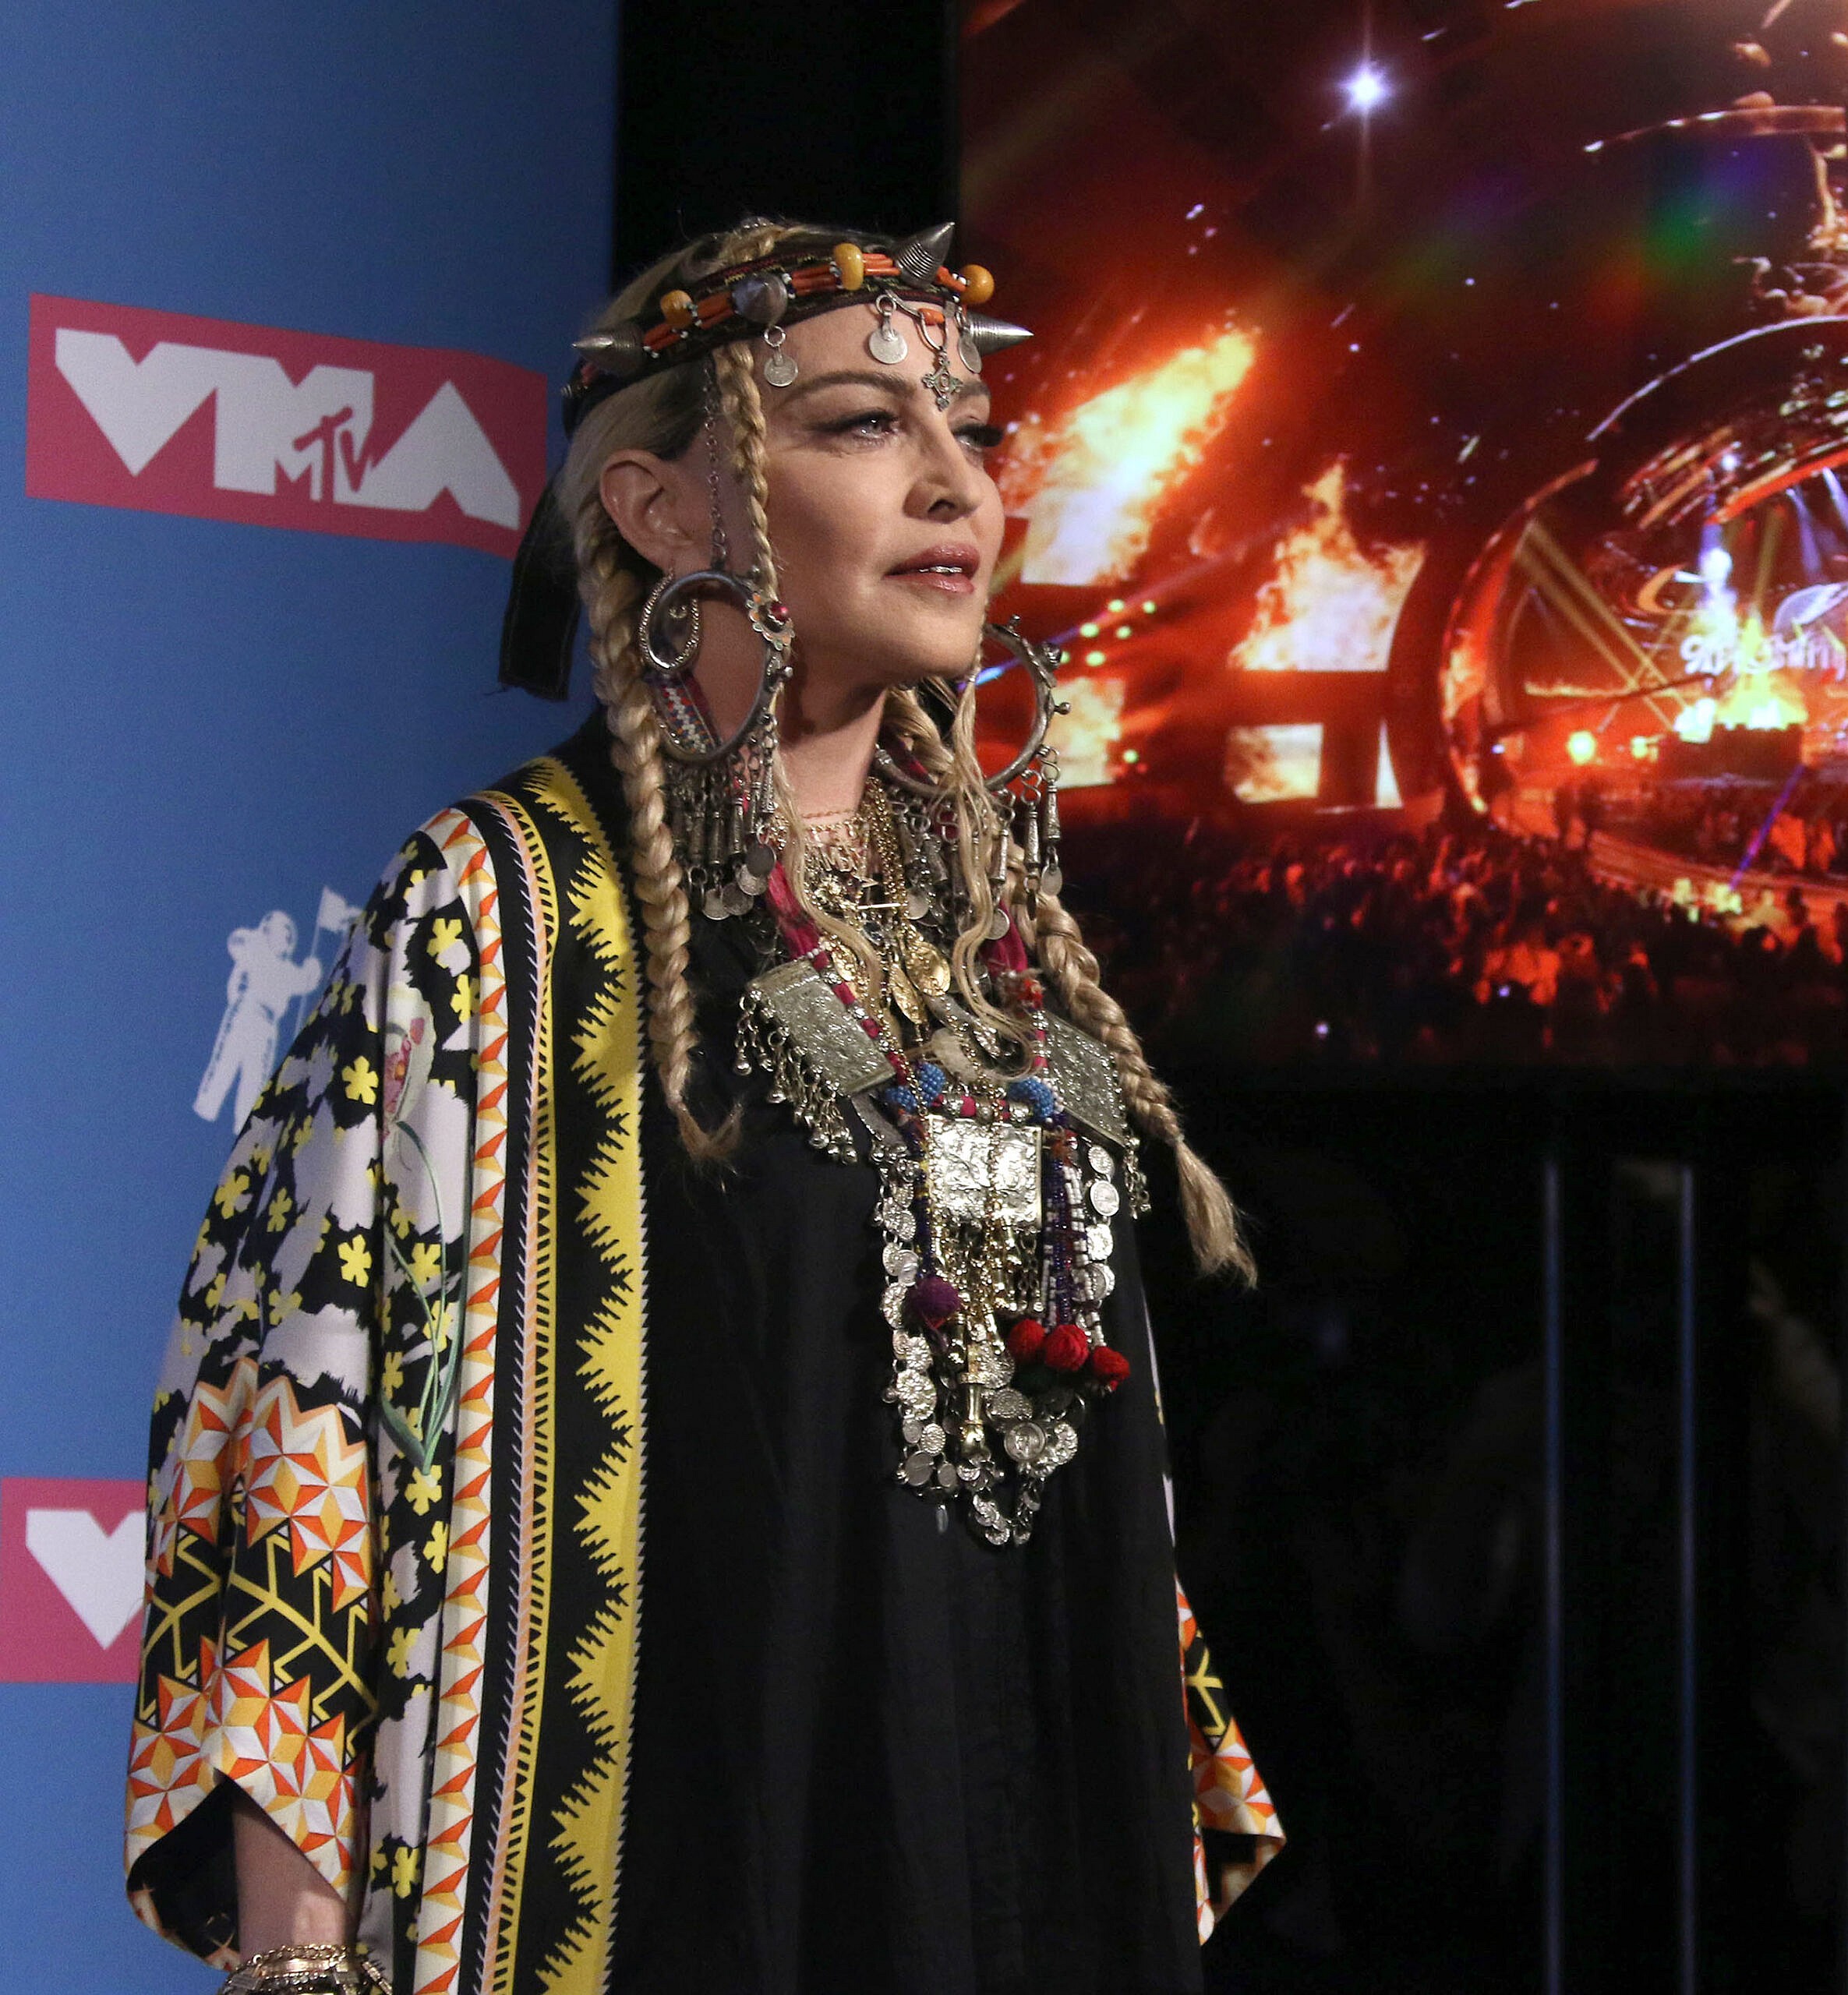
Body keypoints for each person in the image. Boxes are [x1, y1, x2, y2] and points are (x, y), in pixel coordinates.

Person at [125, 219, 1281, 1995]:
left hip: (1024, 1873)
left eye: (968, 429)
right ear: (668, 512)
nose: (954, 483)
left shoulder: (994, 949)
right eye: (861, 425)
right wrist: (292, 1967)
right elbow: (298, 1451)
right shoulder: (501, 914)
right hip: (682, 1889)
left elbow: (1069, 1457)